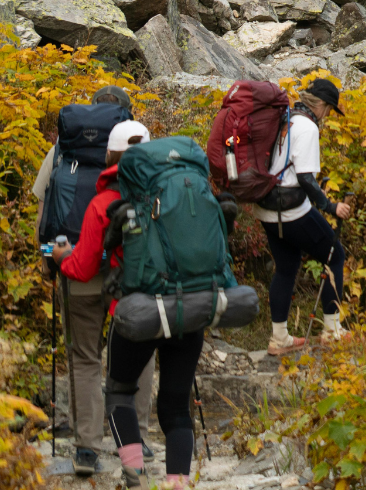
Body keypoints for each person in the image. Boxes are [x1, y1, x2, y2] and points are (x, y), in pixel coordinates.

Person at [57, 121, 228, 490]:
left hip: (137, 312)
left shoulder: (106, 202)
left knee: (119, 389)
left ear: (110, 156)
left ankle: (134, 473)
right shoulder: (184, 192)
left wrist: (61, 261)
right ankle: (177, 482)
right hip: (189, 309)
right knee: (176, 405)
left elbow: (84, 265)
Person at [35, 99, 152, 476]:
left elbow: (43, 215)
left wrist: (50, 261)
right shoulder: (144, 155)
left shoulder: (61, 150)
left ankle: (87, 448)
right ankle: (139, 441)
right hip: (131, 277)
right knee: (139, 355)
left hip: (78, 271)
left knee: (84, 357)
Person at [254, 77, 353, 356]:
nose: (329, 115)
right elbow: (305, 178)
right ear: (320, 105)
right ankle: (332, 332)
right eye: (330, 109)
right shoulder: (308, 127)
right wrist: (330, 207)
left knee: (286, 267)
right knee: (335, 255)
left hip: (266, 208)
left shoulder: (286, 118)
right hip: (290, 210)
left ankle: (279, 338)